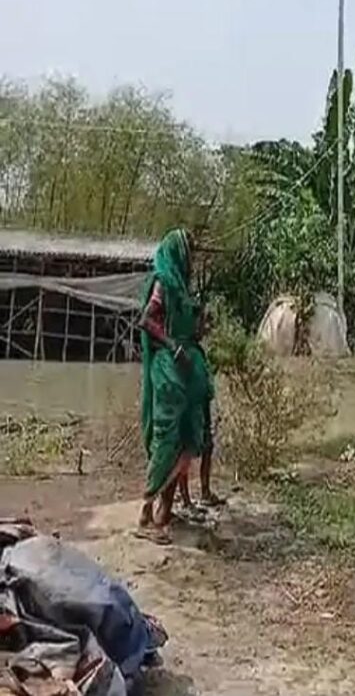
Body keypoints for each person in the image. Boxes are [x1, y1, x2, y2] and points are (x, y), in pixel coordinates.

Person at [136, 229, 211, 545]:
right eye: (188, 251)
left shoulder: (181, 287)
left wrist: (201, 327)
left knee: (187, 435)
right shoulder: (163, 282)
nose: (190, 258)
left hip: (186, 371)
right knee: (166, 439)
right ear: (176, 252)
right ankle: (145, 514)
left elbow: (187, 329)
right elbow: (147, 320)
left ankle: (166, 512)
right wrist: (173, 346)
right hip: (168, 371)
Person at [177, 306, 225, 518]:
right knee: (185, 452)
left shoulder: (197, 350)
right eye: (202, 323)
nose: (205, 328)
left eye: (207, 324)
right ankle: (186, 499)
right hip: (188, 408)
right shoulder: (182, 349)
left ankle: (205, 492)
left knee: (207, 447)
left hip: (202, 406)